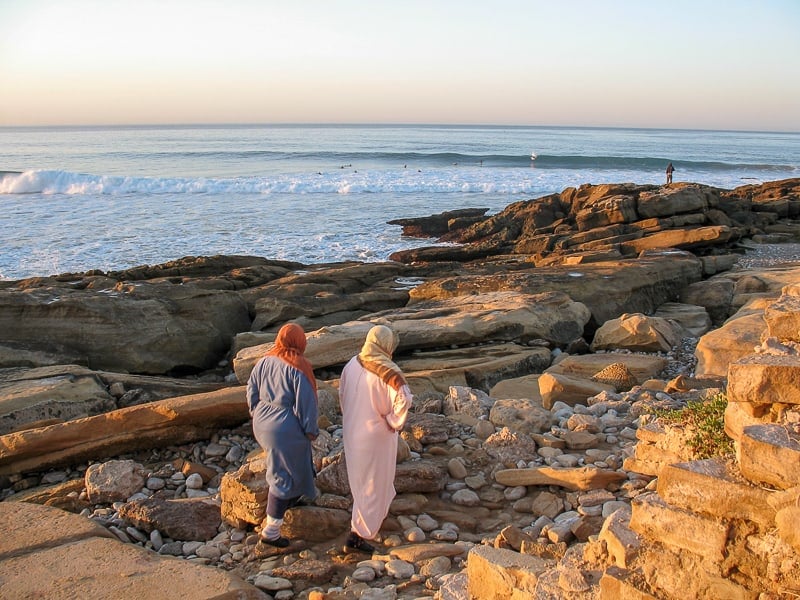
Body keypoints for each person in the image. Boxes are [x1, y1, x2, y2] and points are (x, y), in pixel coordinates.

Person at [339, 324, 413, 554]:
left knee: (360, 480)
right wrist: (393, 421)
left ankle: (362, 524)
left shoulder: (352, 363)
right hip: (375, 436)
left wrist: (349, 415)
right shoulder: (388, 371)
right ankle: (359, 535)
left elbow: (341, 393)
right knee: (374, 483)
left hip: (352, 430)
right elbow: (404, 398)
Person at [246, 322, 319, 548]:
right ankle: (272, 531)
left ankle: (294, 498)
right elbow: (306, 404)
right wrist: (310, 430)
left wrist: (257, 413)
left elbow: (251, 391)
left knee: (292, 461)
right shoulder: (299, 366)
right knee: (282, 475)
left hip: (261, 420)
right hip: (283, 426)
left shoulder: (264, 360)